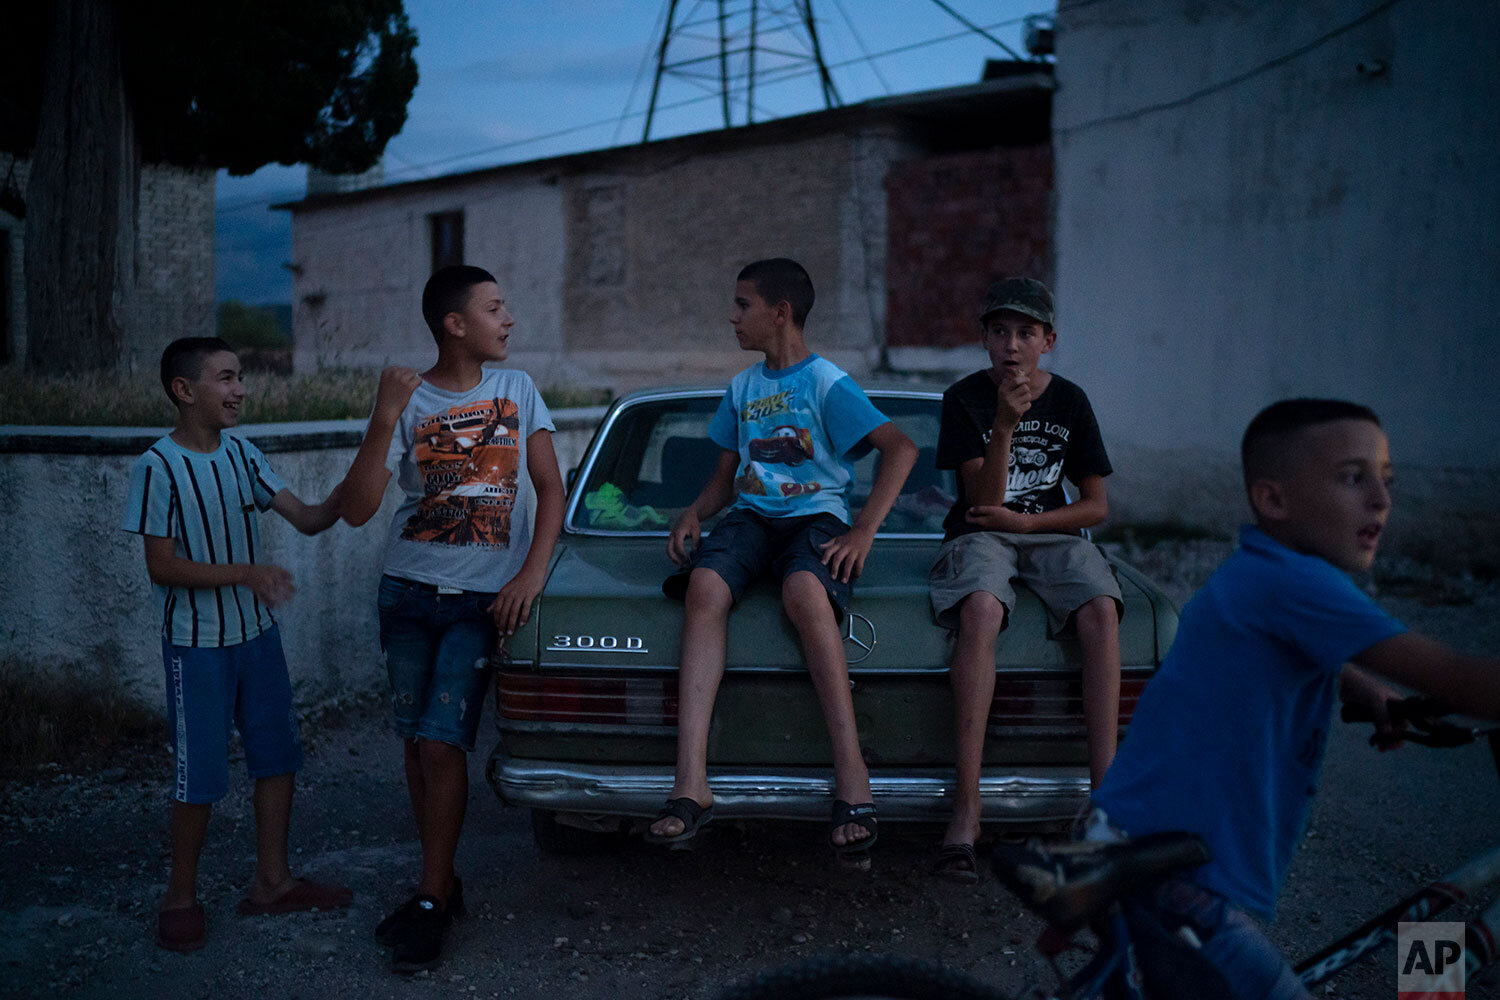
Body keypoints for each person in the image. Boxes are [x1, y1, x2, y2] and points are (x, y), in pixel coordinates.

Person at [1089, 398, 1500, 998]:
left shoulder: (1259, 572)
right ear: (1274, 499)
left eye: (1386, 481)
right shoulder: (1298, 582)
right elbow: (1457, 677)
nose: (1381, 501)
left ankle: (1425, 984)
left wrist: (1366, 689)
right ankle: (1426, 984)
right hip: (1169, 873)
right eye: (1352, 479)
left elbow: (1273, 651)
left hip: (1144, 848)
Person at [646, 257, 917, 858]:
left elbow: (900, 448)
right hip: (751, 517)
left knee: (804, 593)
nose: (733, 316)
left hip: (816, 517)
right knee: (705, 589)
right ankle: (691, 782)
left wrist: (865, 529)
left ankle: (852, 777)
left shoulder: (825, 382)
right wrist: (694, 512)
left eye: (743, 305)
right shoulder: (743, 388)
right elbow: (726, 476)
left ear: (780, 313)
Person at [339, 264, 564, 974]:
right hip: (407, 591)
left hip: (480, 600)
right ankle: (440, 882)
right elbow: (358, 509)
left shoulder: (517, 390)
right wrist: (382, 417)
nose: (510, 319)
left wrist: (531, 571)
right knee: (414, 745)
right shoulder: (406, 400)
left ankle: (432, 899)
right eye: (496, 308)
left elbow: (552, 490)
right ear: (454, 324)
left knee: (442, 747)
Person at [121, 337, 352, 953]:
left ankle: (272, 883)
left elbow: (304, 517)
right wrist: (247, 573)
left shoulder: (244, 454)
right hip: (196, 646)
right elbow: (161, 567)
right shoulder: (157, 466)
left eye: (240, 377)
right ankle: (180, 896)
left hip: (257, 638)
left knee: (278, 758)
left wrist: (349, 492)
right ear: (184, 390)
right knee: (198, 776)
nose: (240, 389)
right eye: (226, 378)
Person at [927, 277, 1123, 881]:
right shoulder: (964, 399)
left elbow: (1095, 506)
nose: (1013, 344)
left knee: (1100, 607)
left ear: (1049, 341)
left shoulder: (1071, 400)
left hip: (1050, 531)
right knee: (981, 608)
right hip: (983, 532)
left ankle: (1105, 803)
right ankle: (967, 805)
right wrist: (1006, 426)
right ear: (984, 339)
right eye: (1000, 332)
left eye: (1026, 333)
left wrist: (1031, 521)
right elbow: (983, 505)